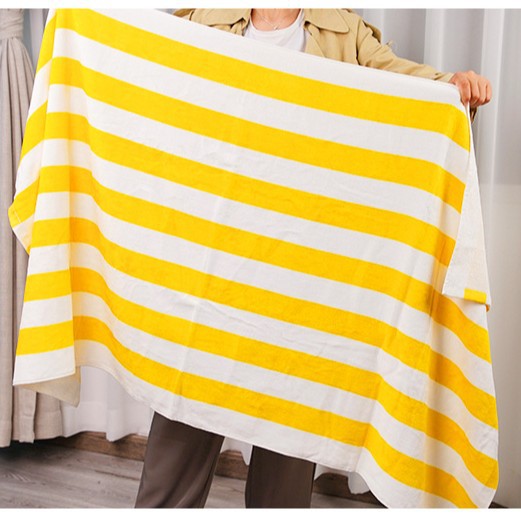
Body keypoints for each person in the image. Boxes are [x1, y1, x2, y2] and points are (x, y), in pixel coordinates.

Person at [135, 8, 492, 509]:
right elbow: (151, 82)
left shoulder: (345, 32)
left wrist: (451, 87)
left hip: (301, 279)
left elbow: (405, 88)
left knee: (288, 453)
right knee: (179, 436)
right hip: (213, 272)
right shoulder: (201, 20)